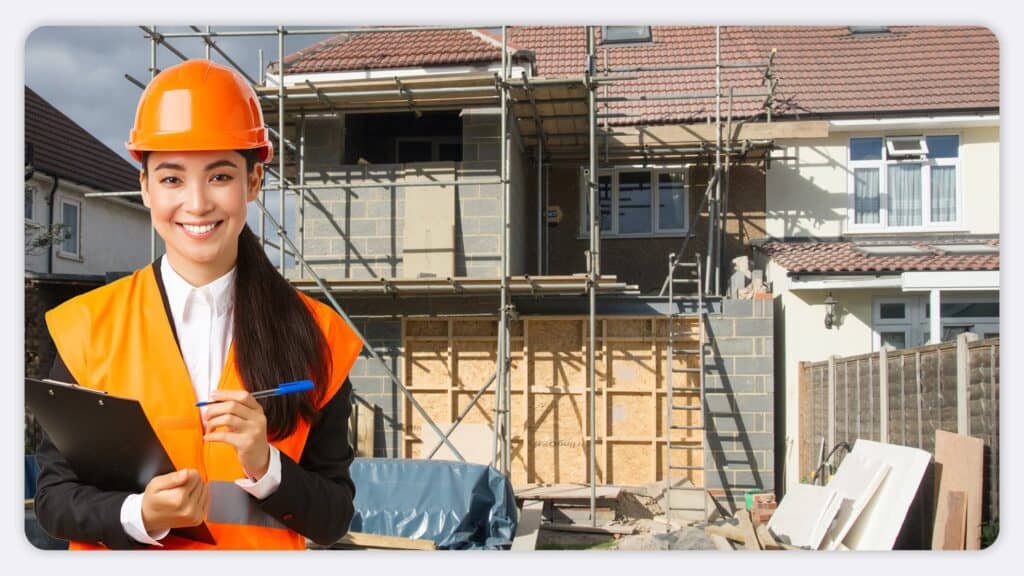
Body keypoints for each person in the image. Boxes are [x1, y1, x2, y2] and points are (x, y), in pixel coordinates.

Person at [32, 59, 363, 550]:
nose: (197, 203)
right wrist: (138, 513)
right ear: (145, 188)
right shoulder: (87, 330)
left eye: (219, 176)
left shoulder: (316, 335)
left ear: (252, 183)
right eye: (171, 179)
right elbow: (54, 501)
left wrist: (266, 464)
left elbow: (334, 518)